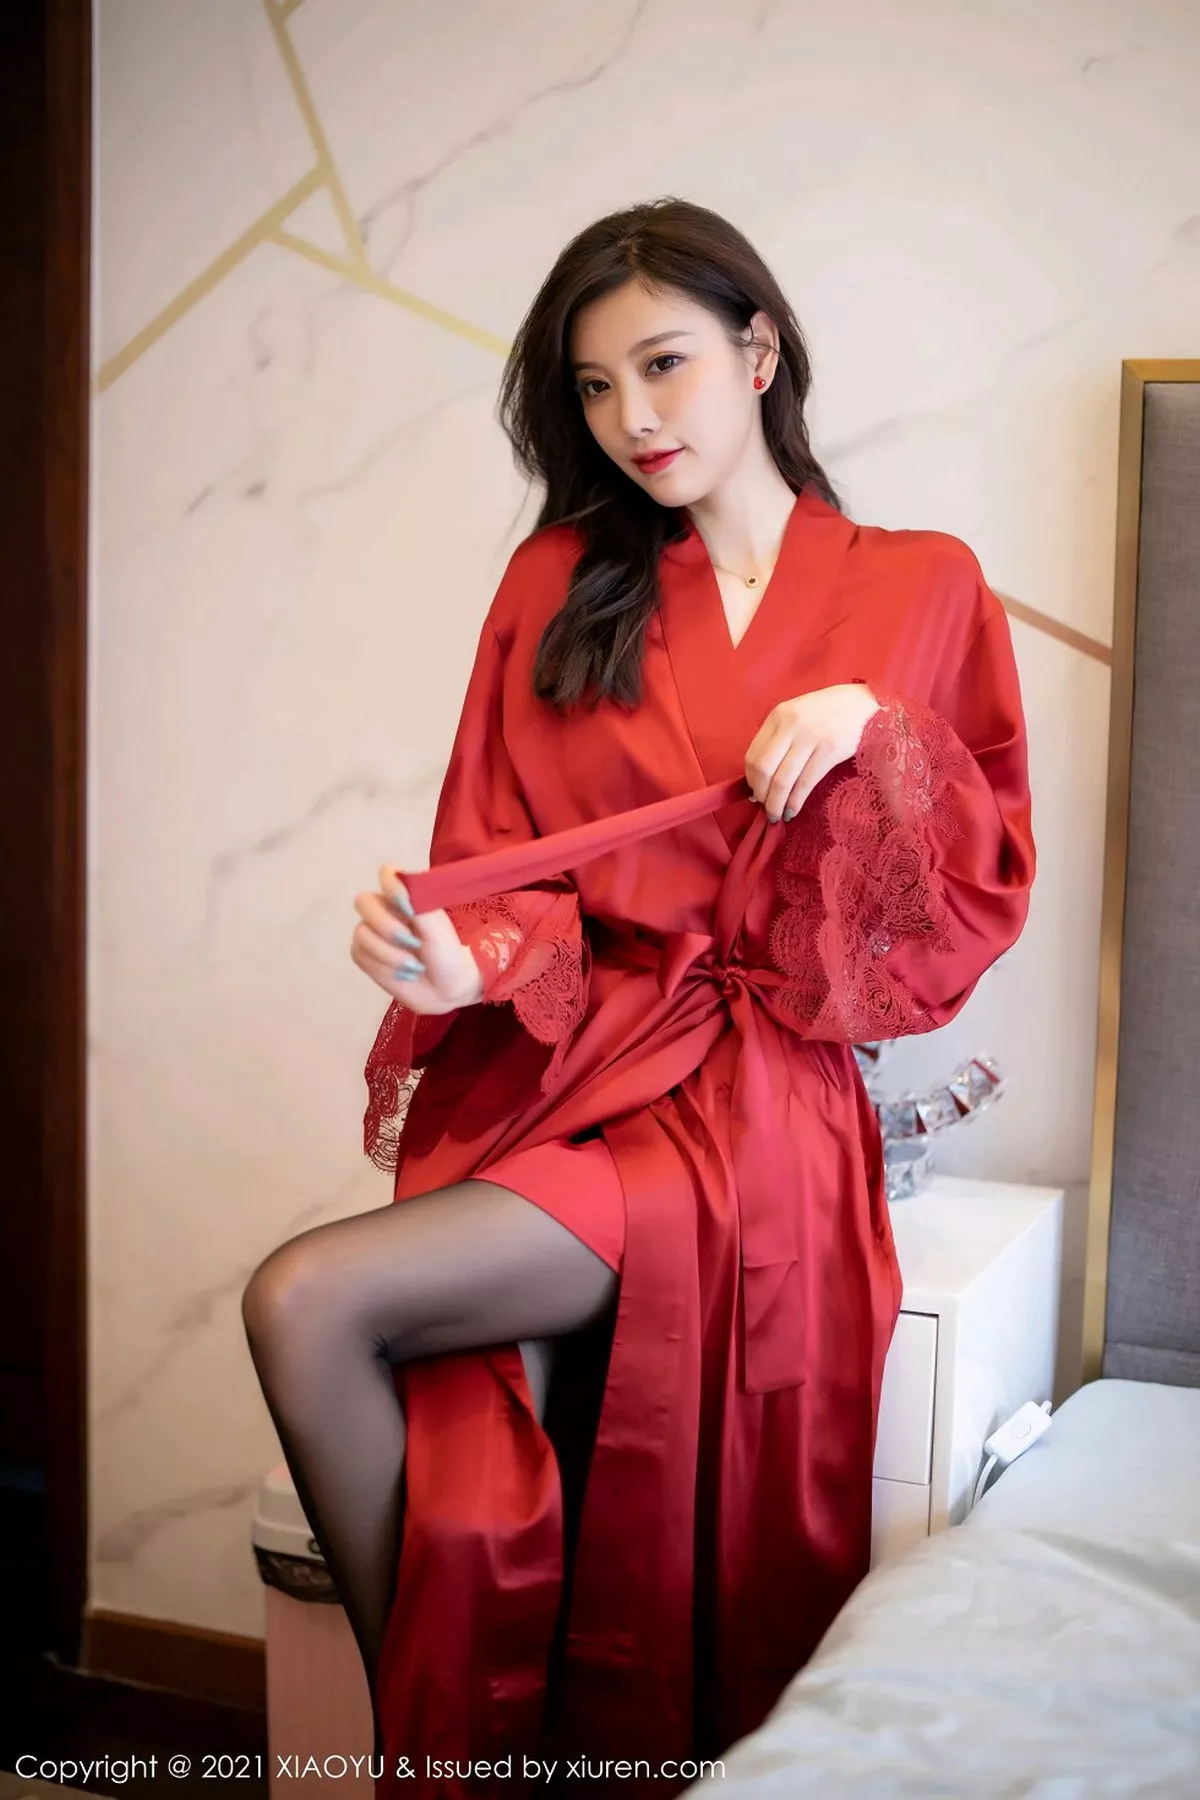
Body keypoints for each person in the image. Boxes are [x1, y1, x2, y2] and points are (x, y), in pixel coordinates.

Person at [241, 197, 1035, 1797]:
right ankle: (459, 1747)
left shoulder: (920, 585)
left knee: (312, 1298)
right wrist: (460, 962)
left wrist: (875, 727)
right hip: (578, 1071)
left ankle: (452, 1752)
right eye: (596, 387)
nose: (633, 418)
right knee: (349, 1339)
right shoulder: (559, 582)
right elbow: (502, 865)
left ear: (760, 352)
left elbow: (972, 891)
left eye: (665, 364)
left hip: (760, 1102)